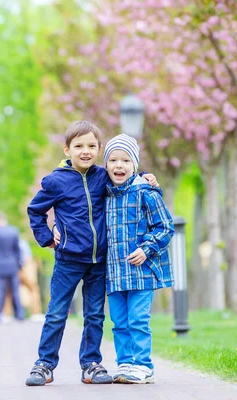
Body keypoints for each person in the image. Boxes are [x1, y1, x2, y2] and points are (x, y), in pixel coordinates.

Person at [25, 121, 158, 386]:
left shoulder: (103, 176)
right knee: (56, 313)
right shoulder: (55, 181)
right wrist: (48, 236)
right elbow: (35, 211)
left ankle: (91, 364)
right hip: (68, 261)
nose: (85, 151)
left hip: (100, 262)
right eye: (78, 146)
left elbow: (126, 175)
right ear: (67, 149)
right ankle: (44, 364)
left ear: (98, 149)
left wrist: (147, 177)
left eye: (91, 146)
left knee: (95, 314)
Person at [103, 134, 174, 384]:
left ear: (135, 165)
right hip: (113, 272)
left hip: (141, 271)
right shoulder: (104, 194)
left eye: (125, 160)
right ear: (106, 164)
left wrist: (147, 248)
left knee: (138, 321)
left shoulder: (146, 192)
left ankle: (144, 366)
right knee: (119, 323)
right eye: (112, 160)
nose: (118, 166)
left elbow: (165, 227)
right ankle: (125, 363)